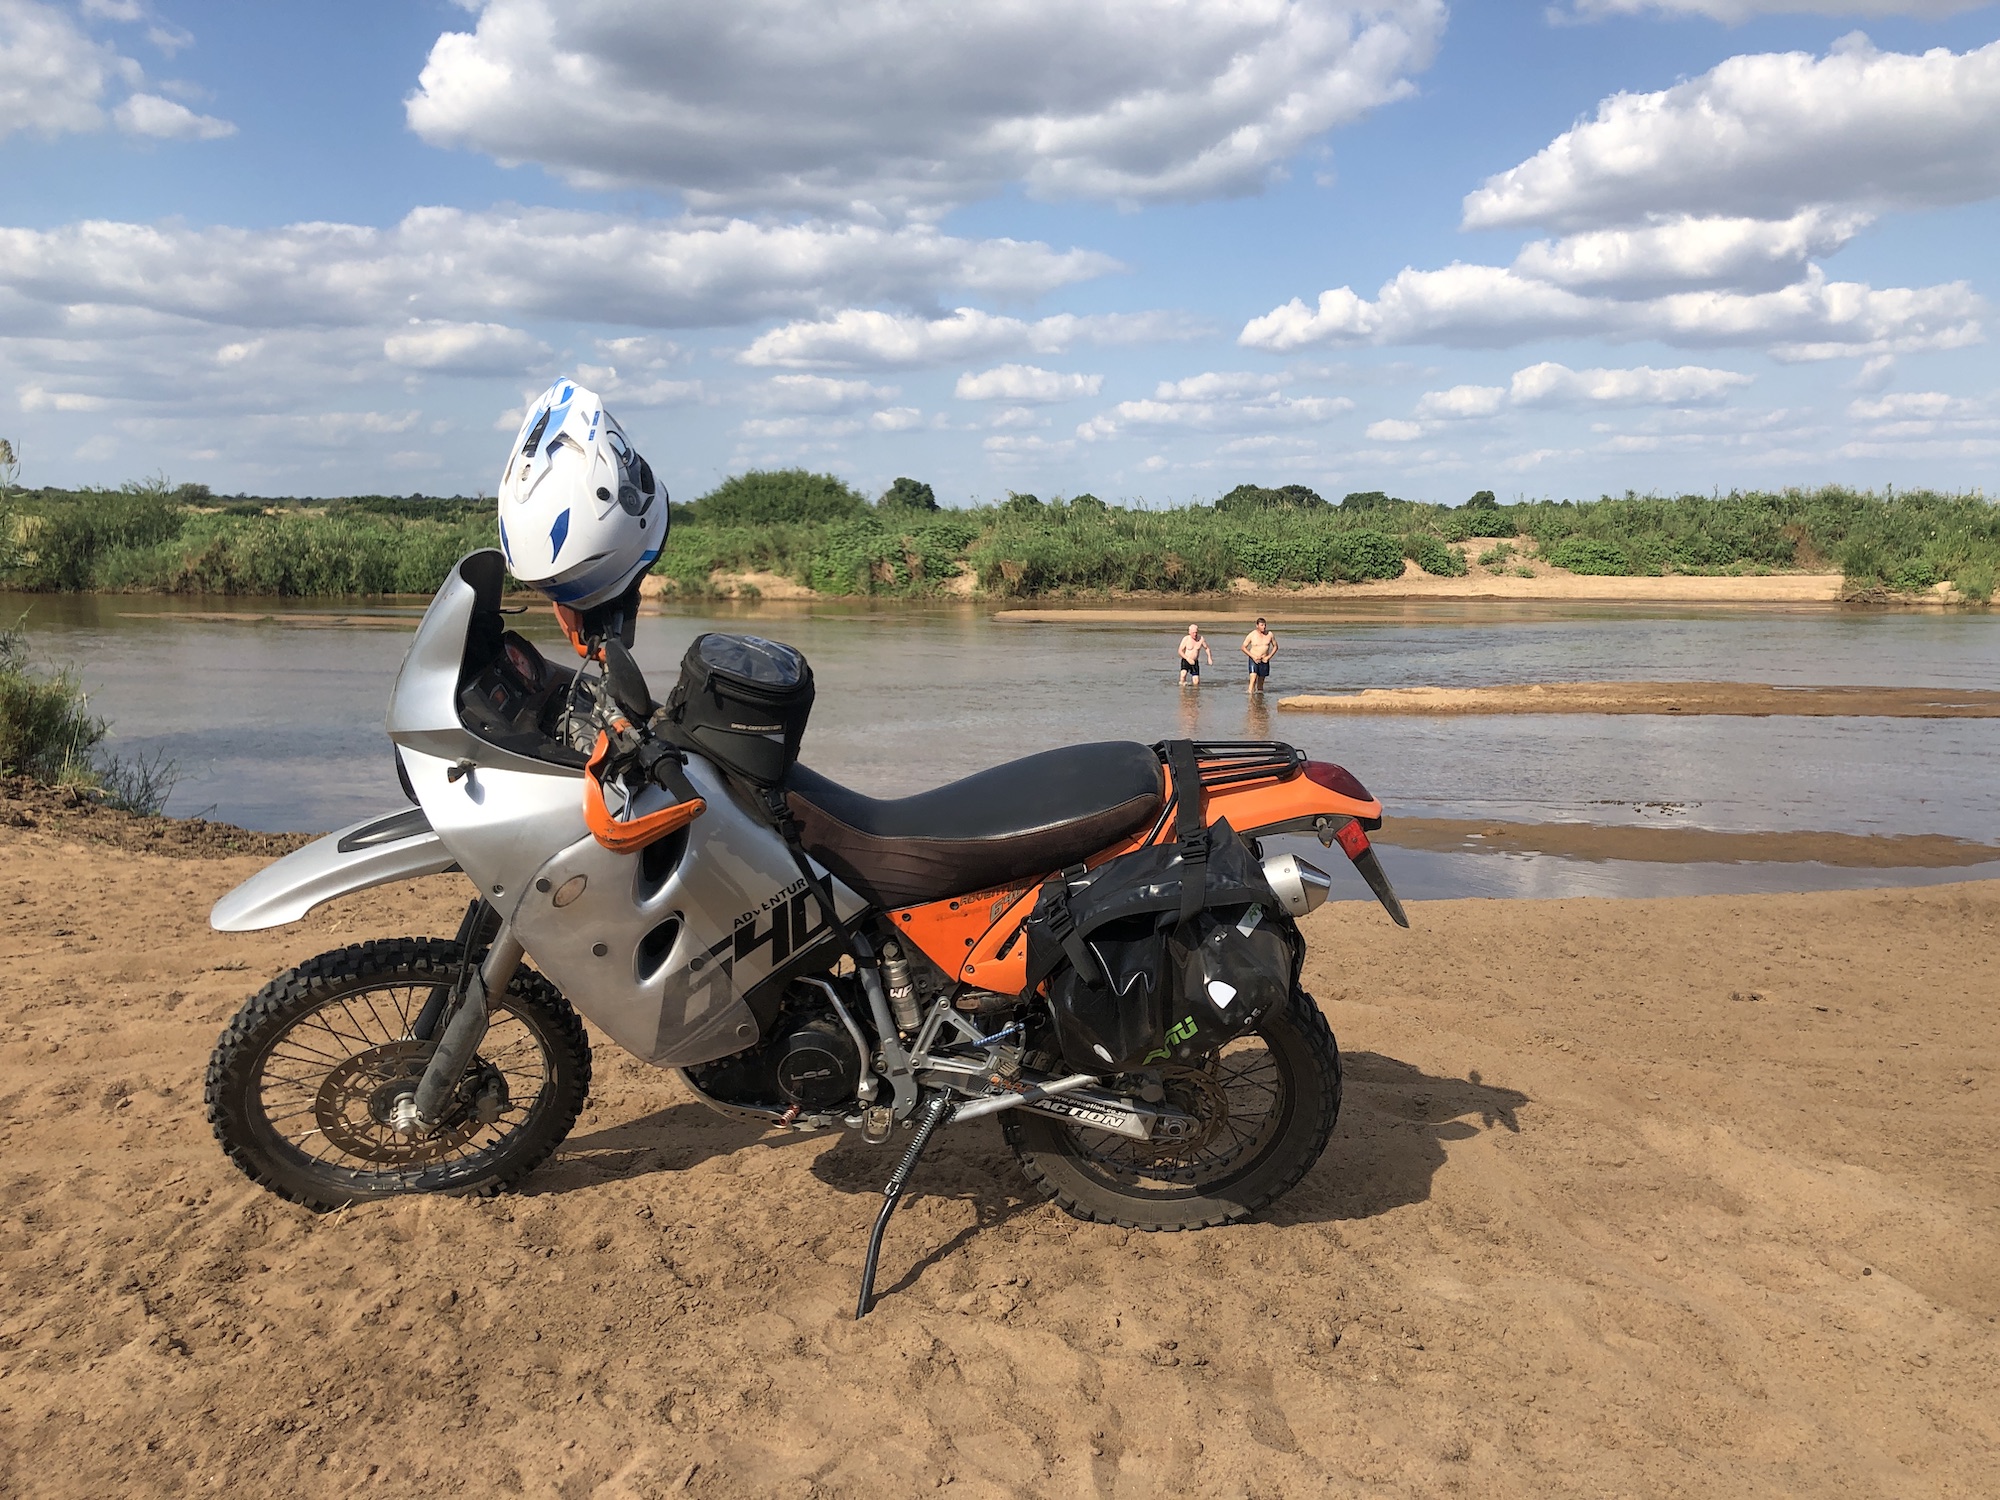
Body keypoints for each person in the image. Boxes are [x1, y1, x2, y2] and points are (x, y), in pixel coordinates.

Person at [1242, 617, 1277, 695]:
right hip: (1254, 659)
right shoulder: (1252, 635)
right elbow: (1243, 647)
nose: (1263, 627)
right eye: (1261, 625)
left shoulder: (1269, 634)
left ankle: (1260, 701)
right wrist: (1253, 656)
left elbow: (1275, 646)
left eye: (1264, 625)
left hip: (1264, 660)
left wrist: (1269, 657)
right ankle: (1250, 699)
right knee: (1253, 679)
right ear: (1257, 626)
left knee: (1261, 683)